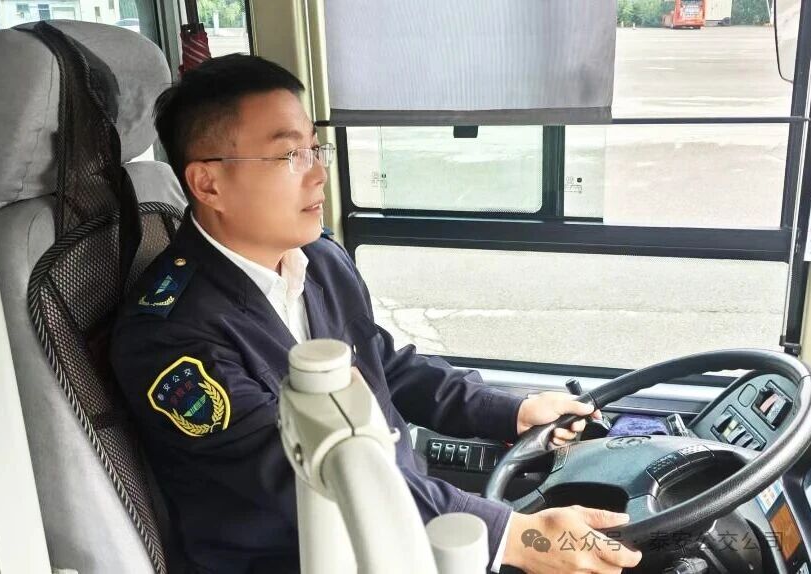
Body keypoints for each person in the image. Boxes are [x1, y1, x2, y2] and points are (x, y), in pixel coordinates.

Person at [110, 54, 643, 574]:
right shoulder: (169, 339)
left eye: (314, 149)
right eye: (290, 155)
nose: (319, 174)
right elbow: (310, 481)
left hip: (407, 524)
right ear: (208, 184)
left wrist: (511, 411)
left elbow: (384, 365)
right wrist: (515, 535)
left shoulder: (319, 260)